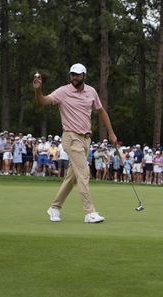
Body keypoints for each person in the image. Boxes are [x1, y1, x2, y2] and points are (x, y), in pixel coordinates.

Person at [34, 63, 118, 224]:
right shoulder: (63, 91)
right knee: (84, 172)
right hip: (71, 137)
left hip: (86, 139)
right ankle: (89, 212)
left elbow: (101, 111)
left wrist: (111, 132)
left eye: (77, 75)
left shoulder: (91, 91)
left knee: (72, 177)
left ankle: (54, 207)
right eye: (72, 74)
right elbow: (43, 101)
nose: (74, 77)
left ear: (84, 76)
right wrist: (38, 90)